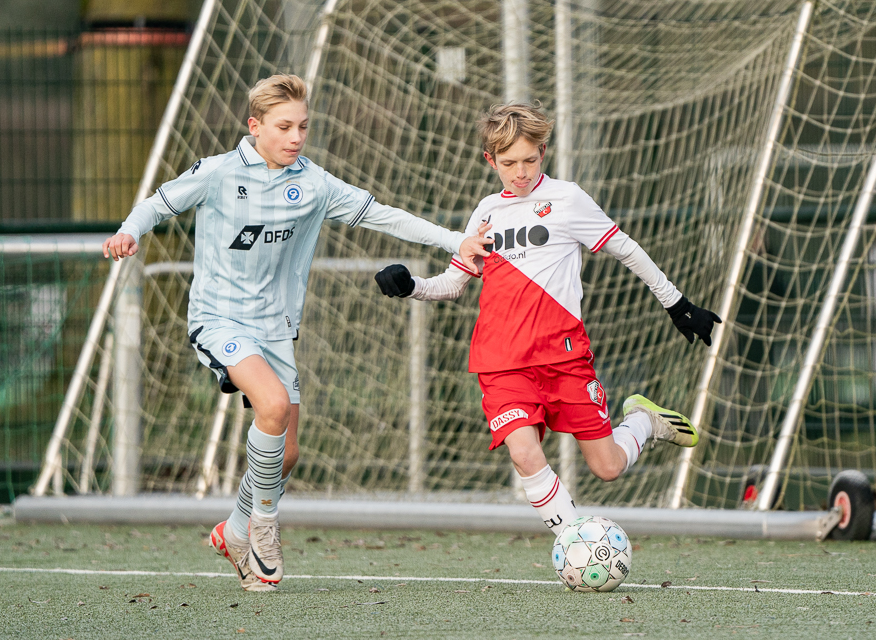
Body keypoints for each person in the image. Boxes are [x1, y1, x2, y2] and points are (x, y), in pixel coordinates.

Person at [102, 74, 493, 591]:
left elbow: (385, 216)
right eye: (284, 126)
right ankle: (263, 529)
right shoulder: (217, 174)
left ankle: (234, 530)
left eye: (303, 126)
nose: (295, 137)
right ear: (254, 126)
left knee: (286, 455)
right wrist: (130, 229)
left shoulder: (314, 183)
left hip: (277, 327)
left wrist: (457, 240)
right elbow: (157, 203)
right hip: (218, 319)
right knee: (272, 405)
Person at [374, 103, 720, 535]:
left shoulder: (567, 198)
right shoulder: (485, 213)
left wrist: (677, 303)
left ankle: (643, 422)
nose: (520, 172)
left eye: (529, 160)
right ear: (490, 160)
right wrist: (412, 286)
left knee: (607, 467)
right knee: (524, 453)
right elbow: (453, 283)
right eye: (508, 163)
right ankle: (576, 542)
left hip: (564, 358)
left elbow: (626, 249)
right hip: (501, 362)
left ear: (543, 152)